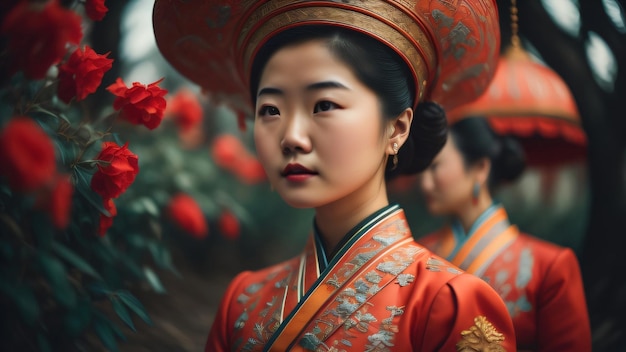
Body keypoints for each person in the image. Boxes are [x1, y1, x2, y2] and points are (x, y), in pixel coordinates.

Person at [153, 1, 517, 350]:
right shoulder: (242, 301)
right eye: (270, 109)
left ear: (397, 128)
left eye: (324, 104)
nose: (291, 136)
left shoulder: (452, 305)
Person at [417, 117, 591, 351]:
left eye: (435, 166)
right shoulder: (418, 255)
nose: (424, 183)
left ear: (480, 168)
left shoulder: (550, 267)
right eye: (422, 168)